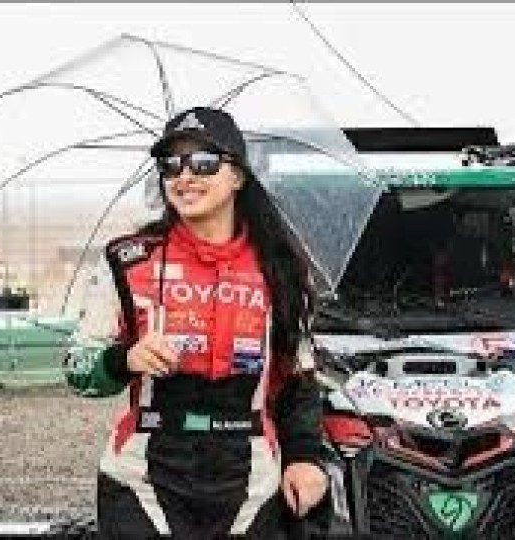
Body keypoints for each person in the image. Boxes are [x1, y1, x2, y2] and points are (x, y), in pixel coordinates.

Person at [74, 107, 329, 539]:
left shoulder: (280, 266)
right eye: (170, 165)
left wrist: (305, 458)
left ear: (238, 176)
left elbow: (299, 380)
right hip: (142, 477)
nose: (185, 176)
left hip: (249, 484)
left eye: (204, 163)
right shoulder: (127, 260)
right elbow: (77, 368)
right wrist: (124, 359)